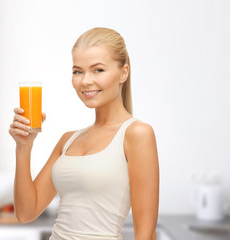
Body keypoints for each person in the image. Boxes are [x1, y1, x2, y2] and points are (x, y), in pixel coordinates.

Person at [9, 27, 159, 240]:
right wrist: (23, 147)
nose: (86, 81)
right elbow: (26, 213)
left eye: (98, 70)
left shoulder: (137, 134)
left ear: (123, 72)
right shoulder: (68, 140)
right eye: (78, 71)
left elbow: (146, 234)